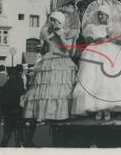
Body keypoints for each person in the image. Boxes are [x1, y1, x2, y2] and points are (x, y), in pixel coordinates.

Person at [71, 4, 121, 121]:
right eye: (99, 14)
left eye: (103, 15)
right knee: (94, 79)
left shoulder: (111, 27)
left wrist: (106, 38)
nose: (101, 16)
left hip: (108, 51)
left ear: (108, 16)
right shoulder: (92, 27)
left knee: (107, 80)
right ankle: (98, 110)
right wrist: (96, 40)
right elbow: (89, 38)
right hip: (95, 51)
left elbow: (114, 39)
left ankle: (107, 110)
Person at [22, 11, 77, 147]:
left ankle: (61, 115)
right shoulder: (47, 32)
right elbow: (44, 46)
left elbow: (69, 50)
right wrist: (41, 46)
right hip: (48, 60)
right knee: (45, 90)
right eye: (51, 20)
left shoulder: (67, 32)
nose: (52, 22)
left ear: (60, 22)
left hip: (62, 60)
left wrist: (61, 36)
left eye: (55, 20)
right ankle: (45, 115)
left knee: (61, 90)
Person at [0, 65, 25, 147]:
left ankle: (2, 149)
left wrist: (3, 111)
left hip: (8, 112)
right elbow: (22, 96)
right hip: (17, 111)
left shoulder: (7, 84)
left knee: (7, 133)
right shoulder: (20, 82)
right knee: (17, 133)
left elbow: (3, 100)